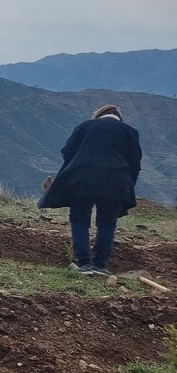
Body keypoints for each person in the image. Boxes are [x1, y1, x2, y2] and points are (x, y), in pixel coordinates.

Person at [38, 104, 142, 276]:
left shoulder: (84, 127)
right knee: (107, 223)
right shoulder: (129, 132)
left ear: (98, 116)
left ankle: (84, 264)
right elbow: (135, 163)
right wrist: (128, 187)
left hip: (82, 180)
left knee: (79, 219)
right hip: (116, 182)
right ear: (119, 118)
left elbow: (67, 151)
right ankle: (100, 265)